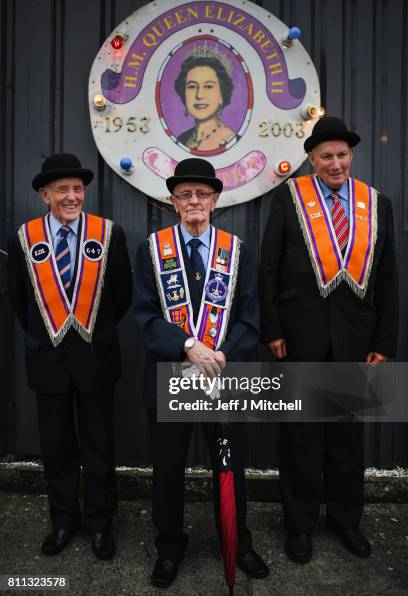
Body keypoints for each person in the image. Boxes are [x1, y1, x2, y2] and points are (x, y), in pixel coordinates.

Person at [259, 116, 398, 563]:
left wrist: (384, 337)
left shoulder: (376, 204)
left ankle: (344, 520)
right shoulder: (290, 197)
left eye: (341, 155)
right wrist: (273, 329)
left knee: (344, 438)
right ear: (312, 160)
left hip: (355, 336)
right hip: (300, 335)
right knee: (300, 434)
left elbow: (389, 277)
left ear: (351, 156)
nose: (335, 163)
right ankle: (298, 525)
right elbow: (269, 266)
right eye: (325, 157)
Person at [133, 158, 269, 588]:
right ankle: (169, 546)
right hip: (172, 376)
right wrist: (188, 346)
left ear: (215, 201)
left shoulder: (238, 250)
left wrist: (225, 354)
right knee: (168, 468)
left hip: (222, 378)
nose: (195, 201)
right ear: (173, 203)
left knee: (230, 466)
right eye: (185, 194)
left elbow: (250, 318)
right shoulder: (152, 250)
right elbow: (144, 316)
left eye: (202, 194)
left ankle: (238, 542)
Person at [7, 153, 132, 560]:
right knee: (56, 447)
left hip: (96, 358)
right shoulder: (24, 239)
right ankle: (63, 520)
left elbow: (122, 296)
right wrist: (46, 335)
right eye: (62, 189)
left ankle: (100, 523)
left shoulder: (109, 234)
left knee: (99, 445)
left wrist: (91, 327)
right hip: (49, 360)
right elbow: (19, 301)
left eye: (78, 189)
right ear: (45, 195)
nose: (72, 196)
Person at [174, 45, 236, 151]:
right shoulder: (181, 140)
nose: (199, 95)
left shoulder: (234, 142)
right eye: (192, 86)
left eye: (208, 86)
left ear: (222, 94)